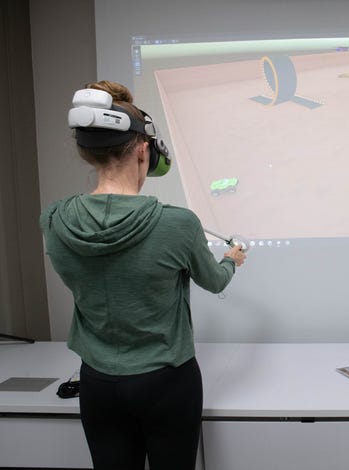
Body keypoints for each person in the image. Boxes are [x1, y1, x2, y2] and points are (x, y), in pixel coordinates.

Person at [40, 80, 246, 470]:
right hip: (168, 382)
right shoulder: (177, 223)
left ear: (87, 152)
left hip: (97, 383)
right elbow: (215, 281)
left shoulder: (53, 219)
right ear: (143, 150)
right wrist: (231, 259)